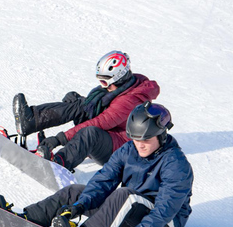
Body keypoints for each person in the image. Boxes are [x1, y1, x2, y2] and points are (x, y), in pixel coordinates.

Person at [0, 102, 193, 227]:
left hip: (163, 224)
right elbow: (104, 180)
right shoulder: (128, 150)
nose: (139, 144)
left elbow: (164, 211)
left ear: (162, 135)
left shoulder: (176, 165)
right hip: (130, 208)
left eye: (146, 140)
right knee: (74, 192)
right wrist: (79, 206)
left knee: (125, 195)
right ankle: (27, 217)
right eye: (135, 138)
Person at [12, 51, 160, 172]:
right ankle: (31, 120)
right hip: (110, 134)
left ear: (119, 78)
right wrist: (79, 101)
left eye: (104, 81)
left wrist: (58, 139)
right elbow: (98, 108)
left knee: (91, 132)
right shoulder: (123, 87)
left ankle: (59, 163)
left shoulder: (129, 100)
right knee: (80, 105)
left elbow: (100, 122)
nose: (101, 86)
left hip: (119, 149)